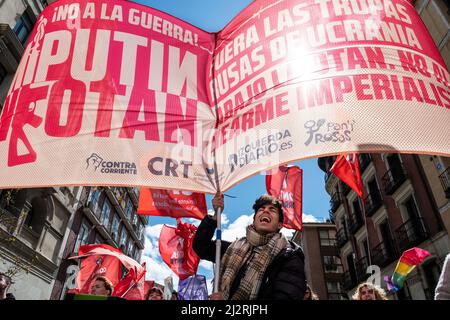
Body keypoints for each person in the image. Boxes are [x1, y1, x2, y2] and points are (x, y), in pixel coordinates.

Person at [193, 193, 307, 300]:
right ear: (254, 221)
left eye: (272, 210)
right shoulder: (234, 248)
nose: (265, 211)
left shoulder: (289, 255)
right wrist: (215, 215)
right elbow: (201, 245)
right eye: (261, 209)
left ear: (279, 225)